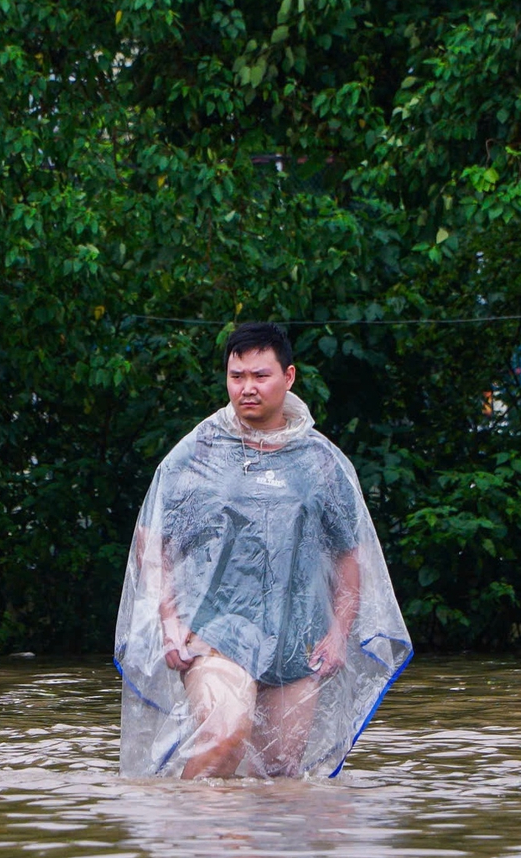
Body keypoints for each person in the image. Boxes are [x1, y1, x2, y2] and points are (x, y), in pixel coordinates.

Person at [115, 322, 412, 778]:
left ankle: (248, 849)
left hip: (298, 637)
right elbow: (153, 541)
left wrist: (338, 634)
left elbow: (350, 556)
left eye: (260, 376)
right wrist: (170, 622)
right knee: (223, 737)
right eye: (237, 377)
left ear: (288, 377)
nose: (247, 388)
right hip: (215, 629)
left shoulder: (320, 461)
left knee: (277, 773)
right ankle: (186, 846)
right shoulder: (198, 452)